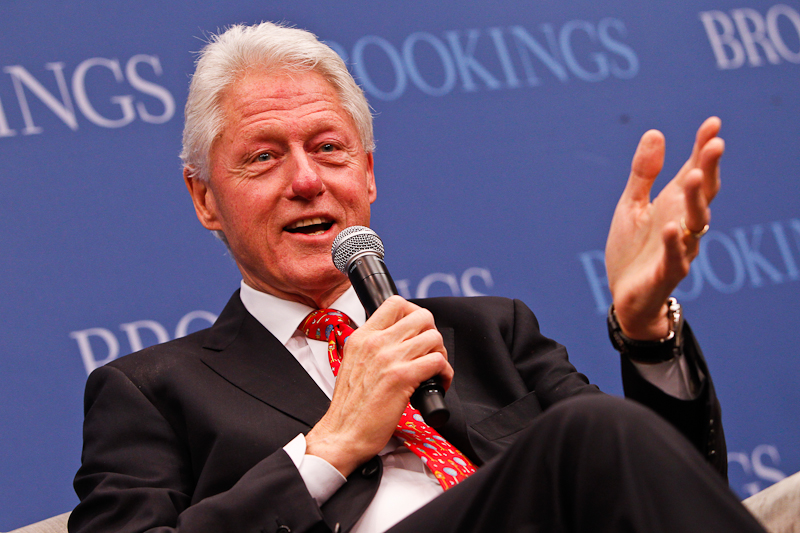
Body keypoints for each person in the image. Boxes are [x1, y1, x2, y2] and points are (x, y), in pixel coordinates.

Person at [69, 21, 766, 533]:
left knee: (597, 435)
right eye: (263, 157)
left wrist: (645, 334)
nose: (306, 180)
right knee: (585, 432)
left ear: (367, 174)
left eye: (328, 148)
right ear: (205, 198)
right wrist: (330, 444)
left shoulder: (492, 330)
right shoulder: (151, 392)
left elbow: (672, 493)